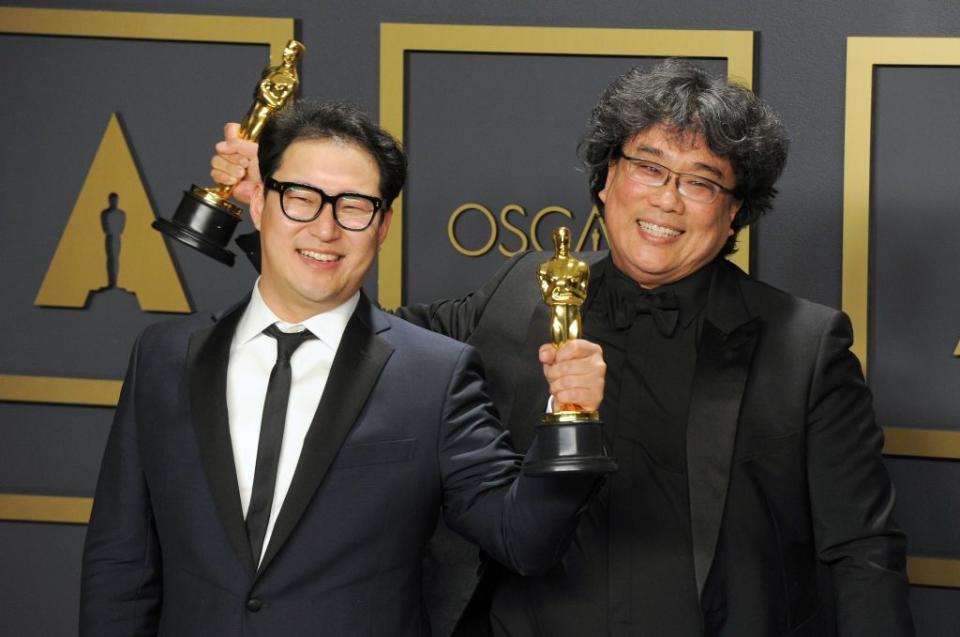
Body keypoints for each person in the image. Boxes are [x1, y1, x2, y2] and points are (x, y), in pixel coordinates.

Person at [211, 60, 914, 636]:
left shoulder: (806, 346)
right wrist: (276, 217)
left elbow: (861, 554)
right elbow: (369, 344)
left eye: (701, 182)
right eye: (648, 166)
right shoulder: (519, 293)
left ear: (735, 211)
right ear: (607, 178)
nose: (667, 200)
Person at [80, 99, 606, 637]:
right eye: (300, 199)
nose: (325, 229)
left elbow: (523, 538)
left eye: (354, 206)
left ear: (383, 226)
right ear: (259, 201)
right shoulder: (164, 356)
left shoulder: (433, 376)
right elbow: (120, 564)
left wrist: (572, 418)